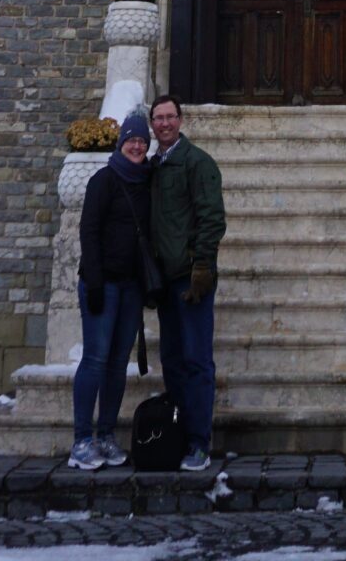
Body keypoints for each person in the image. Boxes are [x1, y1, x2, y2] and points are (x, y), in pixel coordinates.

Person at [68, 109, 154, 470]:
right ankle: (81, 440)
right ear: (120, 144)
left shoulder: (147, 181)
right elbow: (89, 231)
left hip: (132, 285)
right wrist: (95, 281)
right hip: (103, 284)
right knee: (95, 359)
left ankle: (105, 434)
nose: (136, 146)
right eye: (131, 140)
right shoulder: (103, 180)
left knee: (118, 363)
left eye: (141, 141)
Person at [148, 92, 225, 472]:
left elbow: (212, 218)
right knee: (172, 361)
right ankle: (177, 433)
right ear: (152, 125)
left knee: (196, 361)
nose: (164, 123)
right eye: (158, 118)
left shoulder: (198, 163)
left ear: (180, 120)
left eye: (170, 117)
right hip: (164, 281)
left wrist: (202, 268)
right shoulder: (153, 167)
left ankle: (198, 441)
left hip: (190, 281)